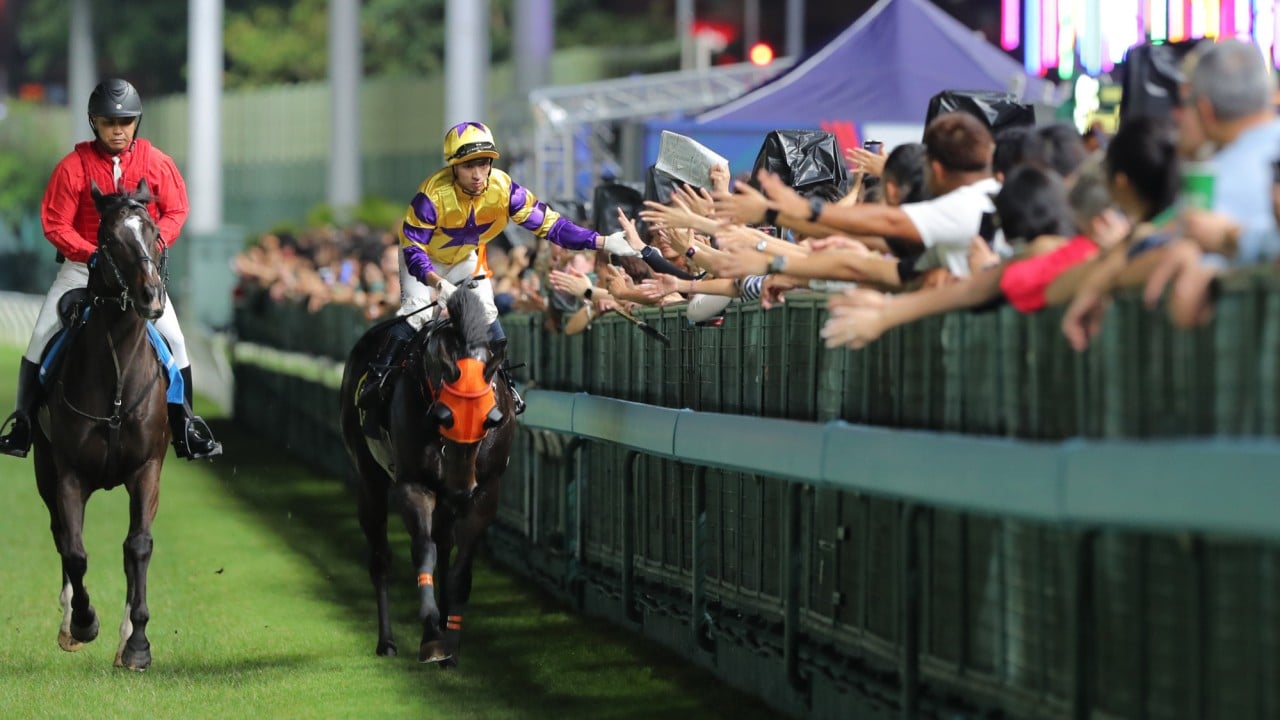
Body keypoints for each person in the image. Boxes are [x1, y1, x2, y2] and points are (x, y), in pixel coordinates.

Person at [0, 79, 221, 460]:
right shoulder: (72, 168)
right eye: (109, 122)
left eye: (126, 121)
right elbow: (55, 224)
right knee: (40, 335)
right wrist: (91, 255)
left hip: (138, 271)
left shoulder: (157, 163)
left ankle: (186, 426)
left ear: (137, 122)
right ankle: (22, 424)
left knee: (176, 341)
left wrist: (153, 246)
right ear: (93, 123)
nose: (118, 130)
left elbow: (176, 210)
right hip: (83, 269)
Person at [358, 121, 638, 414]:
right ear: (453, 166)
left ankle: (506, 385)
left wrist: (603, 241)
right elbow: (414, 250)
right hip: (423, 260)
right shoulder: (430, 197)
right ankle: (376, 381)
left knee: (490, 320)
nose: (478, 174)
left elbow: (552, 226)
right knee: (417, 315)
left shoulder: (505, 190)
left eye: (483, 163)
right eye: (468, 166)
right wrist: (438, 283)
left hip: (467, 258)